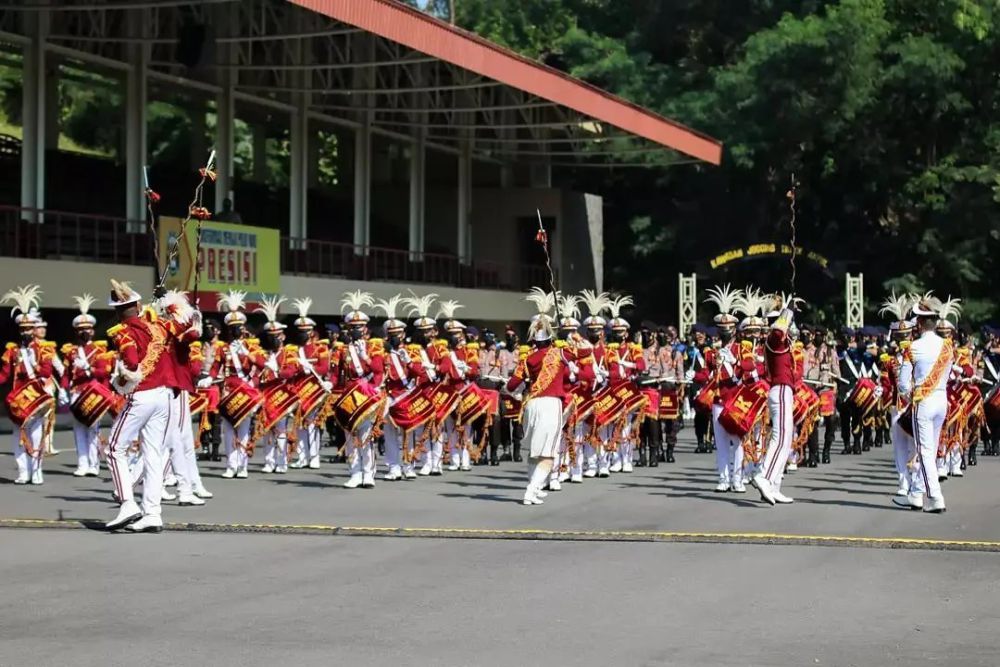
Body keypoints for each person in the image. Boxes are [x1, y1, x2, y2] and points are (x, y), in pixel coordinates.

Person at [104, 280, 197, 532]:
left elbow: (132, 364)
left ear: (117, 311)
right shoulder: (158, 325)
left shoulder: (122, 332)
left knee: (114, 448)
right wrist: (168, 299)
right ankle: (152, 514)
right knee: (153, 454)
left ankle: (127, 503)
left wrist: (118, 381)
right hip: (165, 396)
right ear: (137, 305)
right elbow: (189, 322)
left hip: (142, 394)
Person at [893, 294, 953, 513]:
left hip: (923, 402)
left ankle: (936, 498)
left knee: (925, 451)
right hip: (942, 399)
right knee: (931, 448)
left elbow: (902, 385)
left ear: (918, 323)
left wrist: (910, 396)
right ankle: (916, 495)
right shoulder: (948, 347)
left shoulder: (912, 347)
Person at [506, 308, 570, 506]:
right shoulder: (560, 353)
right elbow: (584, 353)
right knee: (548, 454)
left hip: (531, 404)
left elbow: (511, 386)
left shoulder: (527, 358)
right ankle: (531, 490)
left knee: (534, 451)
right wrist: (568, 337)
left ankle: (536, 489)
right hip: (551, 404)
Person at [0, 285, 55, 485]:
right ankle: (23, 472)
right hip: (19, 399)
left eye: (28, 329)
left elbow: (47, 372)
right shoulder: (12, 351)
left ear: (34, 329)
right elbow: (4, 375)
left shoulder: (44, 348)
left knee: (37, 434)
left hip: (36, 397)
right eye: (22, 329)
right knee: (18, 437)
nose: (25, 332)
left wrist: (32, 362)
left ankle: (37, 471)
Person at [61, 294, 115, 477]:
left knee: (93, 429)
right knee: (78, 429)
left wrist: (89, 369)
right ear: (77, 332)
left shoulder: (99, 350)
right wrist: (63, 388)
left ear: (92, 331)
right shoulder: (71, 351)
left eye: (88, 329)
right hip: (76, 392)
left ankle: (94, 464)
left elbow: (105, 372)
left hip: (92, 392)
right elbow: (66, 373)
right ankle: (82, 463)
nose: (85, 332)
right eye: (81, 329)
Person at [751, 294, 798, 506]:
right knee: (780, 438)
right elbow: (779, 329)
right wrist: (788, 310)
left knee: (786, 440)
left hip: (784, 390)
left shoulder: (781, 341)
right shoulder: (774, 338)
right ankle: (764, 477)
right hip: (779, 390)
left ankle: (774, 485)